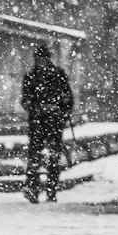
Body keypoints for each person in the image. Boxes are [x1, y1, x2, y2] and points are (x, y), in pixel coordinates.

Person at [21, 44, 74, 202]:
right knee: (35, 157)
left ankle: (51, 190)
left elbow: (68, 99)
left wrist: (59, 111)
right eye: (39, 59)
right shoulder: (31, 77)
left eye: (43, 59)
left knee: (53, 157)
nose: (41, 62)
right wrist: (38, 108)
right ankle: (33, 189)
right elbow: (25, 100)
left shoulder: (58, 76)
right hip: (38, 122)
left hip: (52, 122)